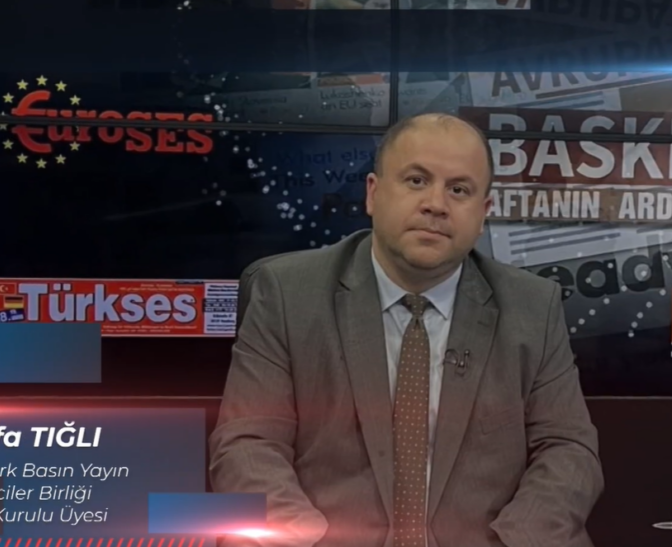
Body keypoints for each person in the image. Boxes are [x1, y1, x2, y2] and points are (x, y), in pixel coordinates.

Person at [211, 113, 603, 547]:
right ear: (373, 193)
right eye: (417, 181)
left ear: (484, 212)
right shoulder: (288, 295)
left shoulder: (533, 307)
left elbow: (568, 450)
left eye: (459, 190)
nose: (436, 204)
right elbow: (248, 444)